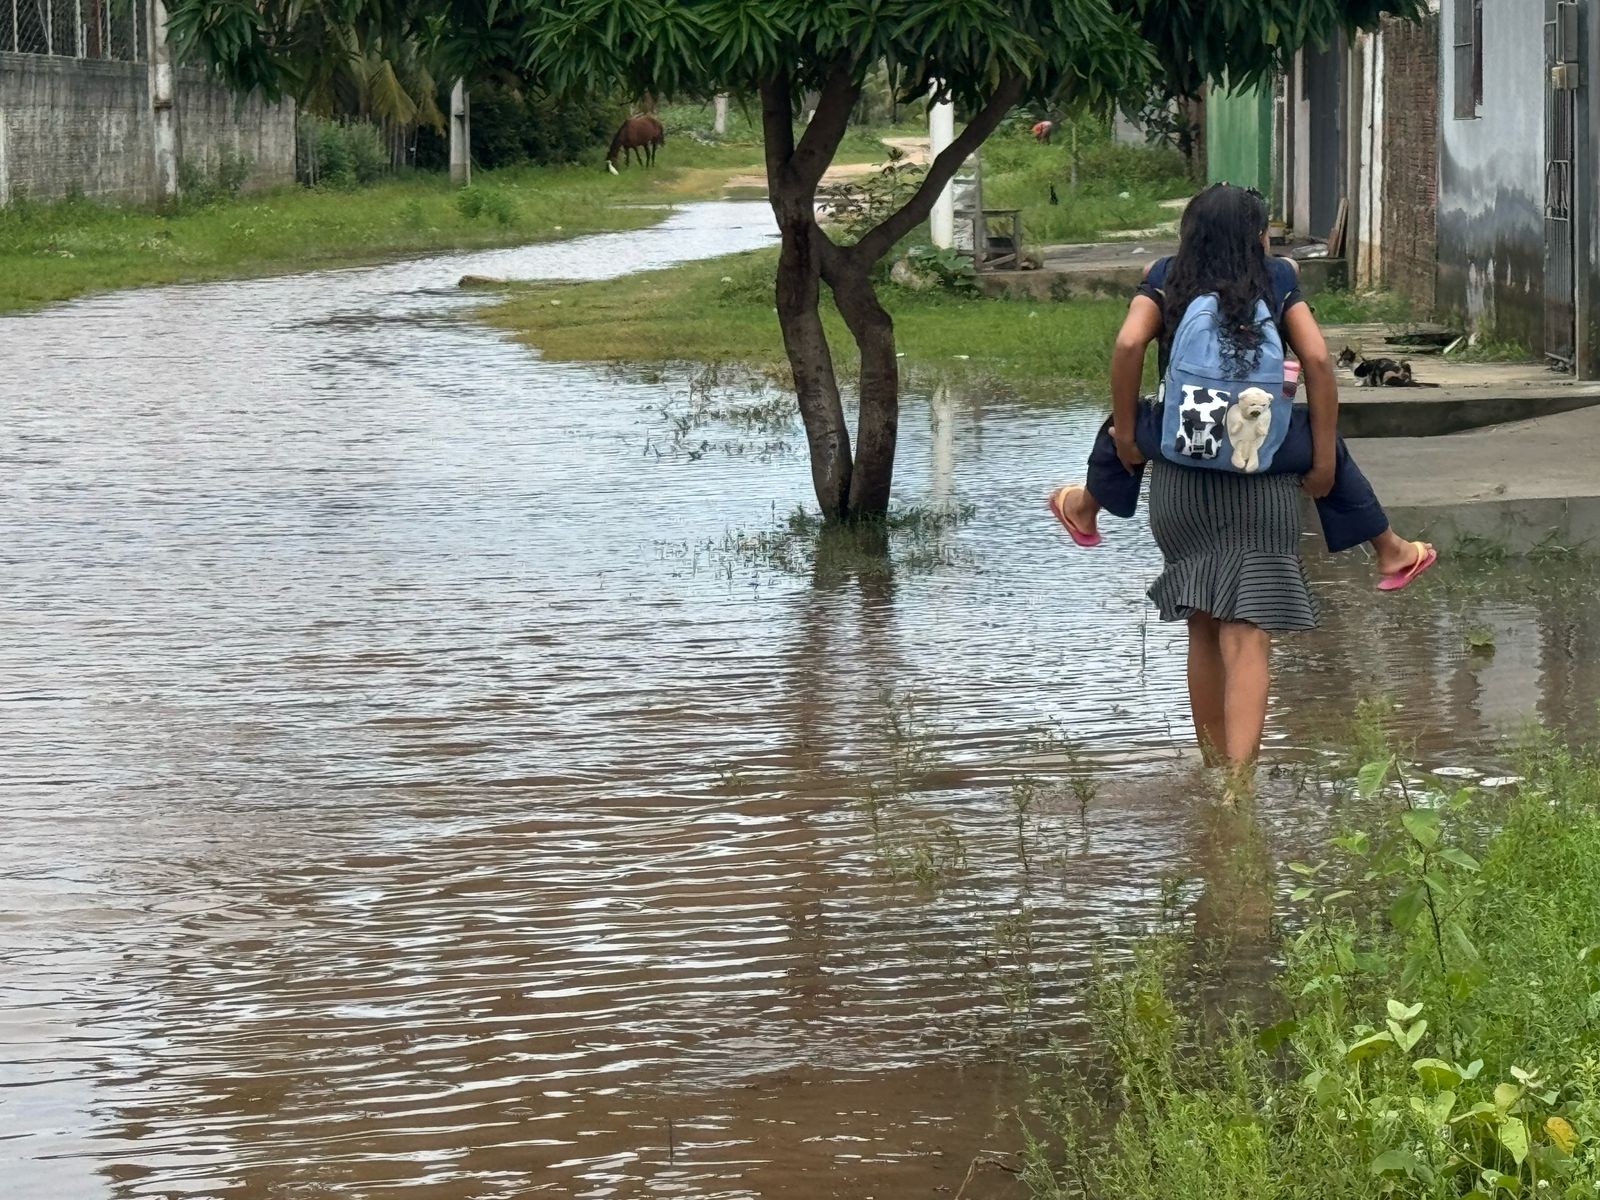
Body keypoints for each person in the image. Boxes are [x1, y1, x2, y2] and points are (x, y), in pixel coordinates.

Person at [1048, 184, 1435, 786]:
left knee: (1203, 621)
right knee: (1247, 628)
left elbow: (1127, 343)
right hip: (1261, 476)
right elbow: (1318, 363)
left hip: (1182, 480)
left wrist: (1128, 435)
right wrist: (1324, 456)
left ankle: (1210, 770)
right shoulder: (1275, 277)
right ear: (1258, 236)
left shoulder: (1166, 276)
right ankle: (1238, 789)